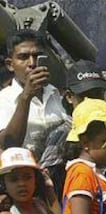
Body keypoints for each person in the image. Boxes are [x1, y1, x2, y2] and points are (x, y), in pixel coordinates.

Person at [39, 59, 106, 200]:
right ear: (69, 97)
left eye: (96, 95)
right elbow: (46, 181)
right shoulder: (63, 133)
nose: (91, 102)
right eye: (84, 96)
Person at [0, 29, 68, 159]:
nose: (32, 63)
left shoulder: (55, 94)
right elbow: (8, 145)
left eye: (37, 56)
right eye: (23, 57)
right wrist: (25, 98)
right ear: (10, 65)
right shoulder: (3, 100)